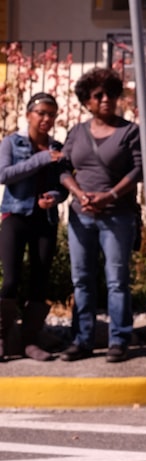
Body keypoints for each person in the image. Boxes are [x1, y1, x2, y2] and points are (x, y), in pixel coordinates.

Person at [58, 68, 141, 363]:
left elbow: (138, 170)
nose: (106, 99)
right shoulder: (77, 132)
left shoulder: (129, 131)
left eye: (111, 94)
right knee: (81, 279)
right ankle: (82, 340)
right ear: (87, 101)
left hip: (117, 216)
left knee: (116, 279)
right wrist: (79, 194)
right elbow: (63, 167)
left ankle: (119, 338)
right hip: (82, 215)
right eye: (98, 95)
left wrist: (109, 195)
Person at [0, 92, 69, 361]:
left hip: (45, 220)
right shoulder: (11, 143)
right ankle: (4, 339)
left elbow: (63, 183)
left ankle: (30, 341)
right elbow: (4, 174)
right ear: (28, 114)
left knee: (40, 280)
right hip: (15, 216)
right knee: (11, 280)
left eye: (51, 114)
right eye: (41, 112)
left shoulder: (57, 147)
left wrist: (55, 197)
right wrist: (41, 159)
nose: (46, 118)